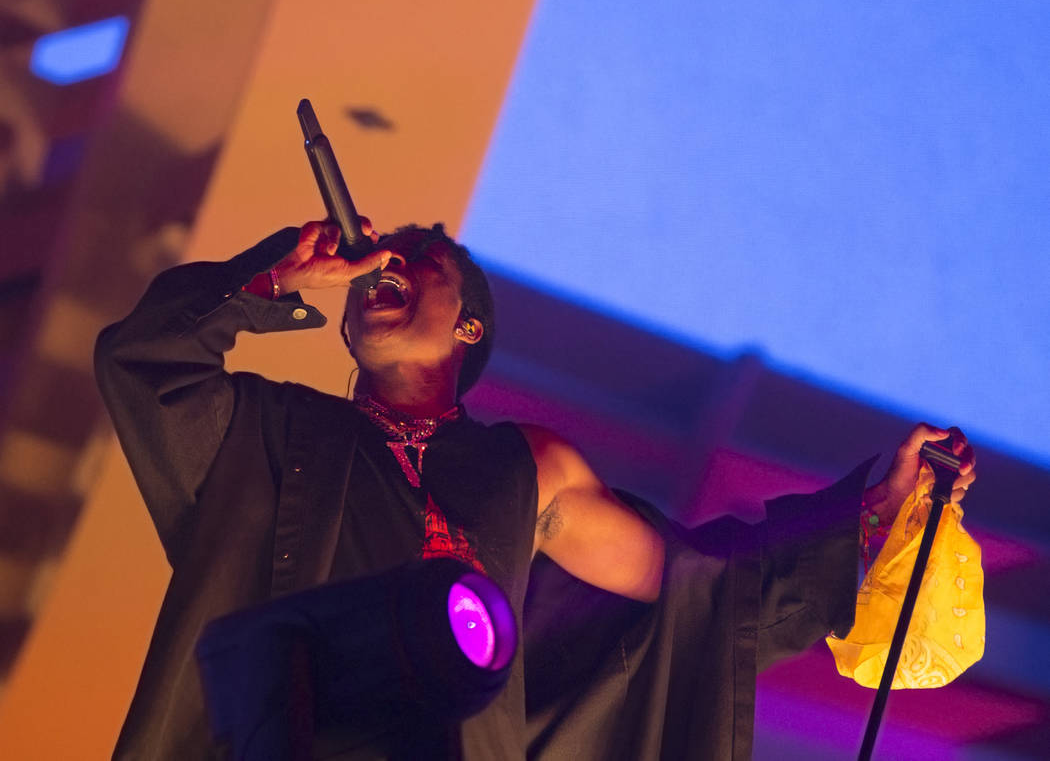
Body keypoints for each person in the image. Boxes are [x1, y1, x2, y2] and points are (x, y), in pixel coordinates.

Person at [95, 218, 976, 759]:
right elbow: (143, 362)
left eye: (413, 257)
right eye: (372, 263)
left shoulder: (525, 470)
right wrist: (274, 275)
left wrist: (870, 509)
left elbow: (702, 588)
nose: (380, 265)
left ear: (468, 324)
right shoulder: (264, 429)